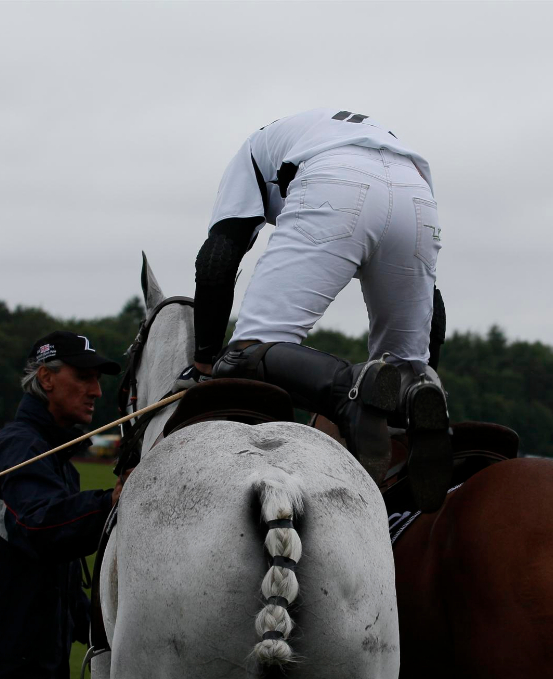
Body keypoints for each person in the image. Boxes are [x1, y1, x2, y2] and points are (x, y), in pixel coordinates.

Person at [185, 108, 451, 511]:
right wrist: (420, 369)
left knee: (242, 355)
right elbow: (431, 299)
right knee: (402, 370)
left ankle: (351, 392)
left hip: (336, 180)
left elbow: (217, 260)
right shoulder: (334, 132)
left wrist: (204, 361)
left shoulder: (251, 154)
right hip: (418, 193)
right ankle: (419, 394)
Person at [0, 331, 124, 679]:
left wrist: (112, 633)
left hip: (34, 666)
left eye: (98, 381)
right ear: (46, 378)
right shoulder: (21, 446)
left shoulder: (54, 460)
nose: (96, 391)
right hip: (1, 671)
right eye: (84, 378)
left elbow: (59, 584)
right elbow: (43, 527)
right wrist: (112, 503)